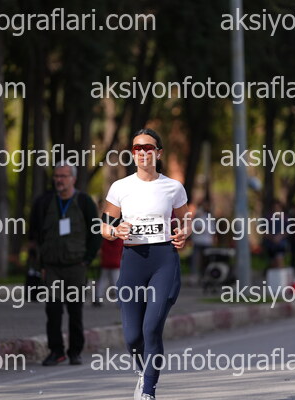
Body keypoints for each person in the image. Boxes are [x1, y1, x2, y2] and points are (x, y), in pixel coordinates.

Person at [101, 128, 190, 400]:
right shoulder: (120, 187)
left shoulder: (173, 187)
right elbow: (105, 227)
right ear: (132, 153)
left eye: (148, 148)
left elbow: (185, 220)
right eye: (137, 148)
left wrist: (184, 233)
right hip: (132, 262)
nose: (142, 152)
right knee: (132, 336)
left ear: (158, 153)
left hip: (163, 261)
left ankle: (149, 391)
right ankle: (143, 371)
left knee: (151, 328)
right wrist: (116, 231)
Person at [29, 162, 101, 366]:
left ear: (73, 179)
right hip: (52, 267)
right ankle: (56, 351)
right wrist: (41, 264)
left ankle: (75, 351)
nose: (59, 180)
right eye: (56, 176)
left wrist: (87, 259)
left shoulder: (84, 202)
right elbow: (38, 235)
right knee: (52, 311)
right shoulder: (45, 202)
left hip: (76, 266)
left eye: (63, 176)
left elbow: (96, 233)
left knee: (75, 311)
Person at [188, 199, 215, 286]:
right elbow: (196, 227)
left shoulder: (209, 216)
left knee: (207, 261)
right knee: (196, 261)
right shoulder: (197, 216)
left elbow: (212, 229)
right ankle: (195, 277)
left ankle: (206, 277)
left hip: (207, 242)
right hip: (198, 242)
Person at [93, 237, 123, 306]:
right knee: (116, 282)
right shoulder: (120, 240)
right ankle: (119, 300)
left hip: (105, 262)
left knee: (102, 282)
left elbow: (100, 250)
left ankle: (98, 298)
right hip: (116, 263)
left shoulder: (104, 240)